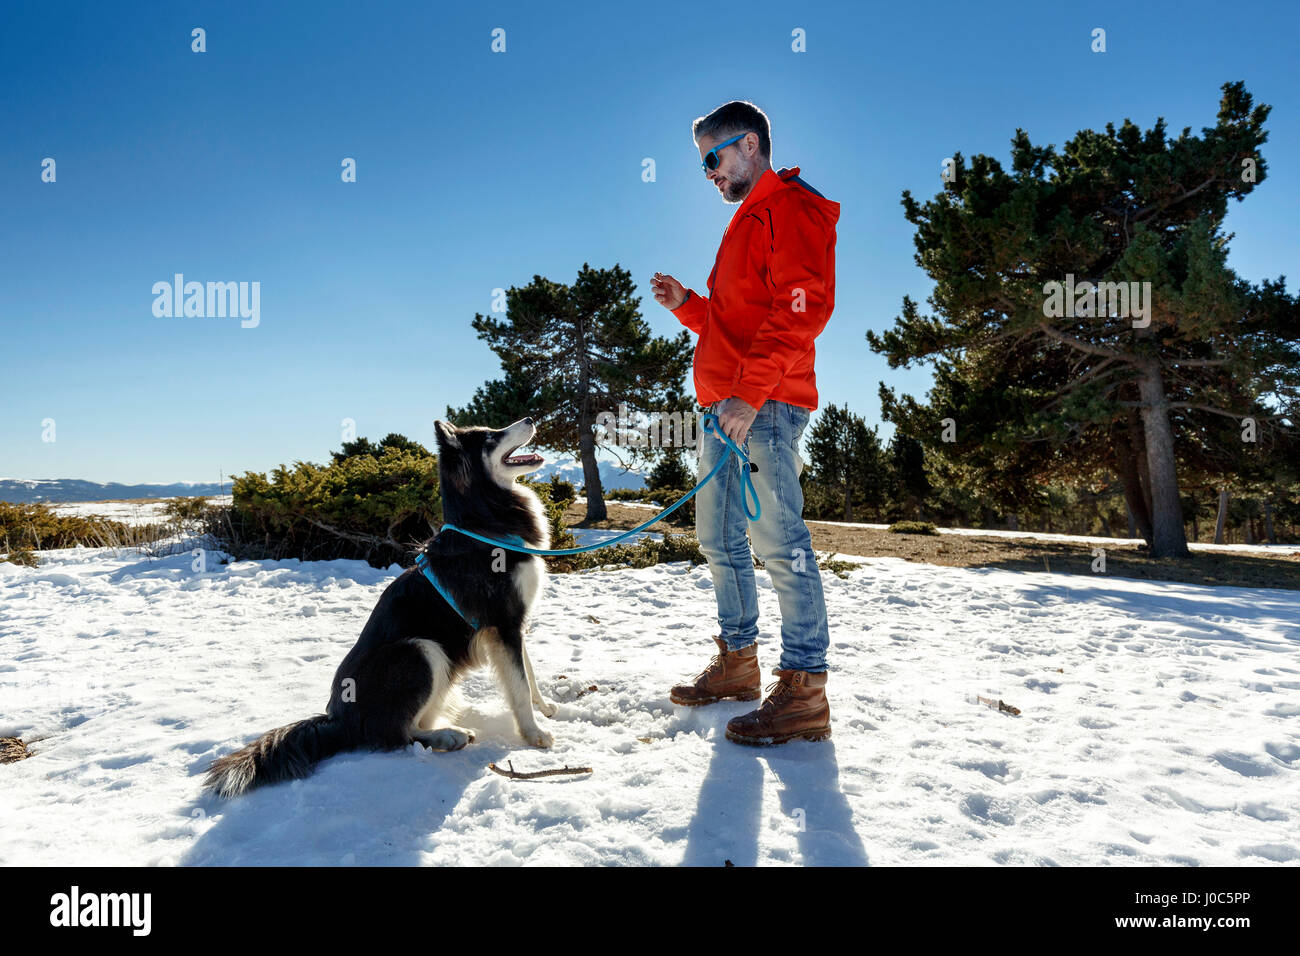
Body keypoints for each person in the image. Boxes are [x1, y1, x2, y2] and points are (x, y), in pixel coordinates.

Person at [650, 99, 840, 745]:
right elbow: (736, 324)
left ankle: (805, 690)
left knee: (778, 545)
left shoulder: (792, 208)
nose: (707, 172)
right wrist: (689, 306)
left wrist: (752, 393)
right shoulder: (750, 219)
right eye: (701, 162)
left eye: (714, 156)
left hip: (762, 405)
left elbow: (804, 310)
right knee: (719, 541)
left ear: (750, 144)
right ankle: (738, 665)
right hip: (727, 406)